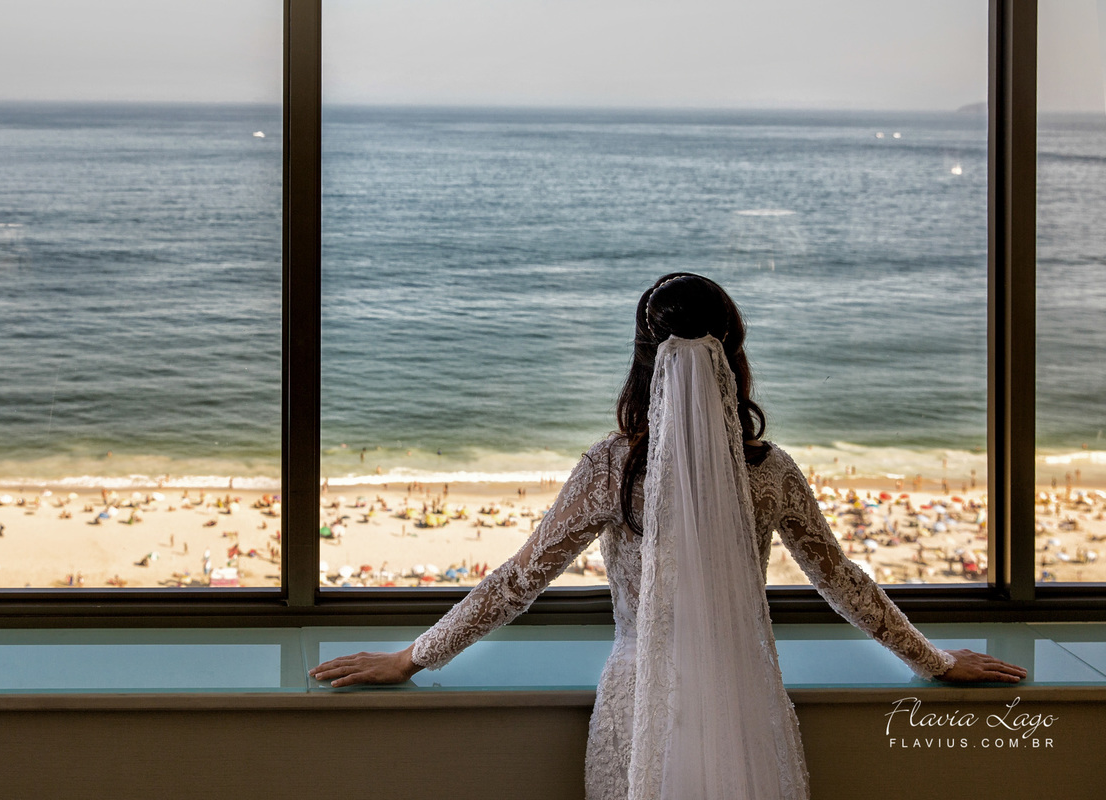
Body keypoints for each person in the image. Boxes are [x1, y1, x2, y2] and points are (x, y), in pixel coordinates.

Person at [309, 273, 1027, 799]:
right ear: (733, 359)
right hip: (744, 702)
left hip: (640, 700)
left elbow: (518, 580)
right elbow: (840, 579)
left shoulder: (611, 466)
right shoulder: (769, 470)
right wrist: (931, 660)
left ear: (644, 361)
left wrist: (413, 657)